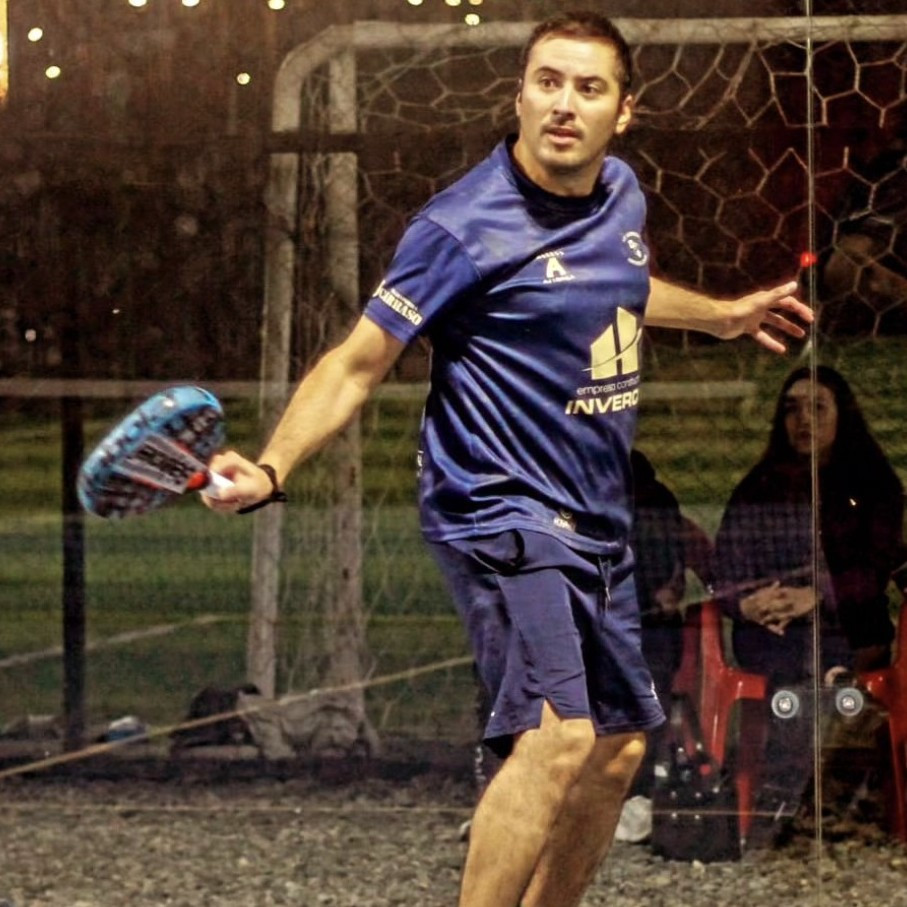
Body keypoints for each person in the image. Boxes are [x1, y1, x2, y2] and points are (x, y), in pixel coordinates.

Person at [205, 12, 811, 906]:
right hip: (498, 508)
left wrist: (719, 315)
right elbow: (357, 362)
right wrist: (271, 468)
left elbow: (612, 285)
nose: (564, 104)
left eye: (588, 88)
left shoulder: (620, 195)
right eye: (547, 82)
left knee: (616, 750)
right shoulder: (460, 226)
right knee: (558, 733)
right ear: (519, 96)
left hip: (595, 515)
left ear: (623, 112)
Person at [714, 365, 905, 842]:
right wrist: (750, 604)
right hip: (771, 630)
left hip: (846, 624)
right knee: (800, 666)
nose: (802, 420)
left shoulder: (874, 486)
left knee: (819, 660)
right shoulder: (759, 488)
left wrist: (816, 595)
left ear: (842, 416)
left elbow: (874, 569)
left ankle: (808, 791)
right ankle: (798, 793)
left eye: (816, 408)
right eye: (791, 409)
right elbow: (727, 570)